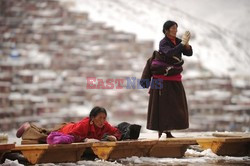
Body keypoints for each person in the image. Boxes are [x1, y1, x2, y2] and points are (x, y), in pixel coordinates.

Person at [146, 20, 193, 138]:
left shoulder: (177, 41)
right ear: (166, 30)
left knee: (174, 105)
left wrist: (186, 45)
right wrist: (182, 44)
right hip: (162, 80)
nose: (175, 30)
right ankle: (162, 132)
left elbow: (189, 53)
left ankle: (168, 130)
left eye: (176, 28)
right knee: (162, 106)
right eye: (173, 28)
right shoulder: (164, 43)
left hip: (173, 79)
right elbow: (169, 53)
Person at [16, 106, 141, 144]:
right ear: (92, 118)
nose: (102, 121)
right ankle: (28, 128)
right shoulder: (84, 125)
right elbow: (72, 136)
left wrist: (112, 136)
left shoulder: (104, 125)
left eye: (104, 118)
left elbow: (115, 131)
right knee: (44, 136)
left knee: (47, 132)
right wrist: (86, 139)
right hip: (66, 130)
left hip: (70, 126)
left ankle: (30, 127)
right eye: (100, 118)